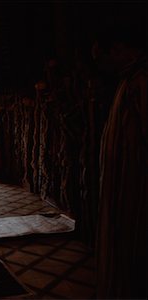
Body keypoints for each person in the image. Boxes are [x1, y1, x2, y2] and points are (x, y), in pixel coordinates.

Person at [92, 26, 146, 299]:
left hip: (135, 188)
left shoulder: (141, 82)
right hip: (123, 185)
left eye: (106, 53)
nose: (105, 61)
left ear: (120, 48)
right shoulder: (127, 81)